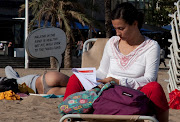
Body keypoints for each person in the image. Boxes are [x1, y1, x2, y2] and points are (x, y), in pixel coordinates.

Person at [63, 2, 169, 122]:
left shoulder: (151, 46)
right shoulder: (113, 42)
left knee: (155, 88)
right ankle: (67, 118)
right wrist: (88, 77)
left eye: (121, 28)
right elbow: (103, 71)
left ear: (135, 24)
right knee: (75, 79)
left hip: (134, 95)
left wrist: (119, 81)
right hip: (108, 91)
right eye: (115, 29)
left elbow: (149, 79)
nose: (117, 33)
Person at [5, 66, 69, 95]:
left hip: (44, 92)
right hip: (45, 79)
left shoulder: (14, 92)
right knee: (77, 82)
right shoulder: (14, 79)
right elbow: (8, 68)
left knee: (77, 90)